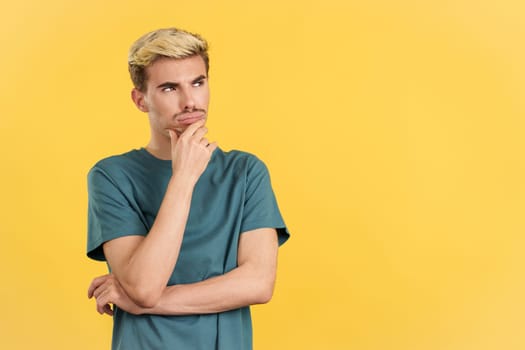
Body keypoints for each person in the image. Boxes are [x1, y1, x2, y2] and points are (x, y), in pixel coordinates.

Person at [86, 27, 290, 349]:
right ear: (141, 100)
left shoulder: (246, 172)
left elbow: (259, 283)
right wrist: (183, 176)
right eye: (169, 88)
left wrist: (144, 302)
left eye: (198, 82)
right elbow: (144, 286)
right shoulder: (112, 176)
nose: (190, 101)